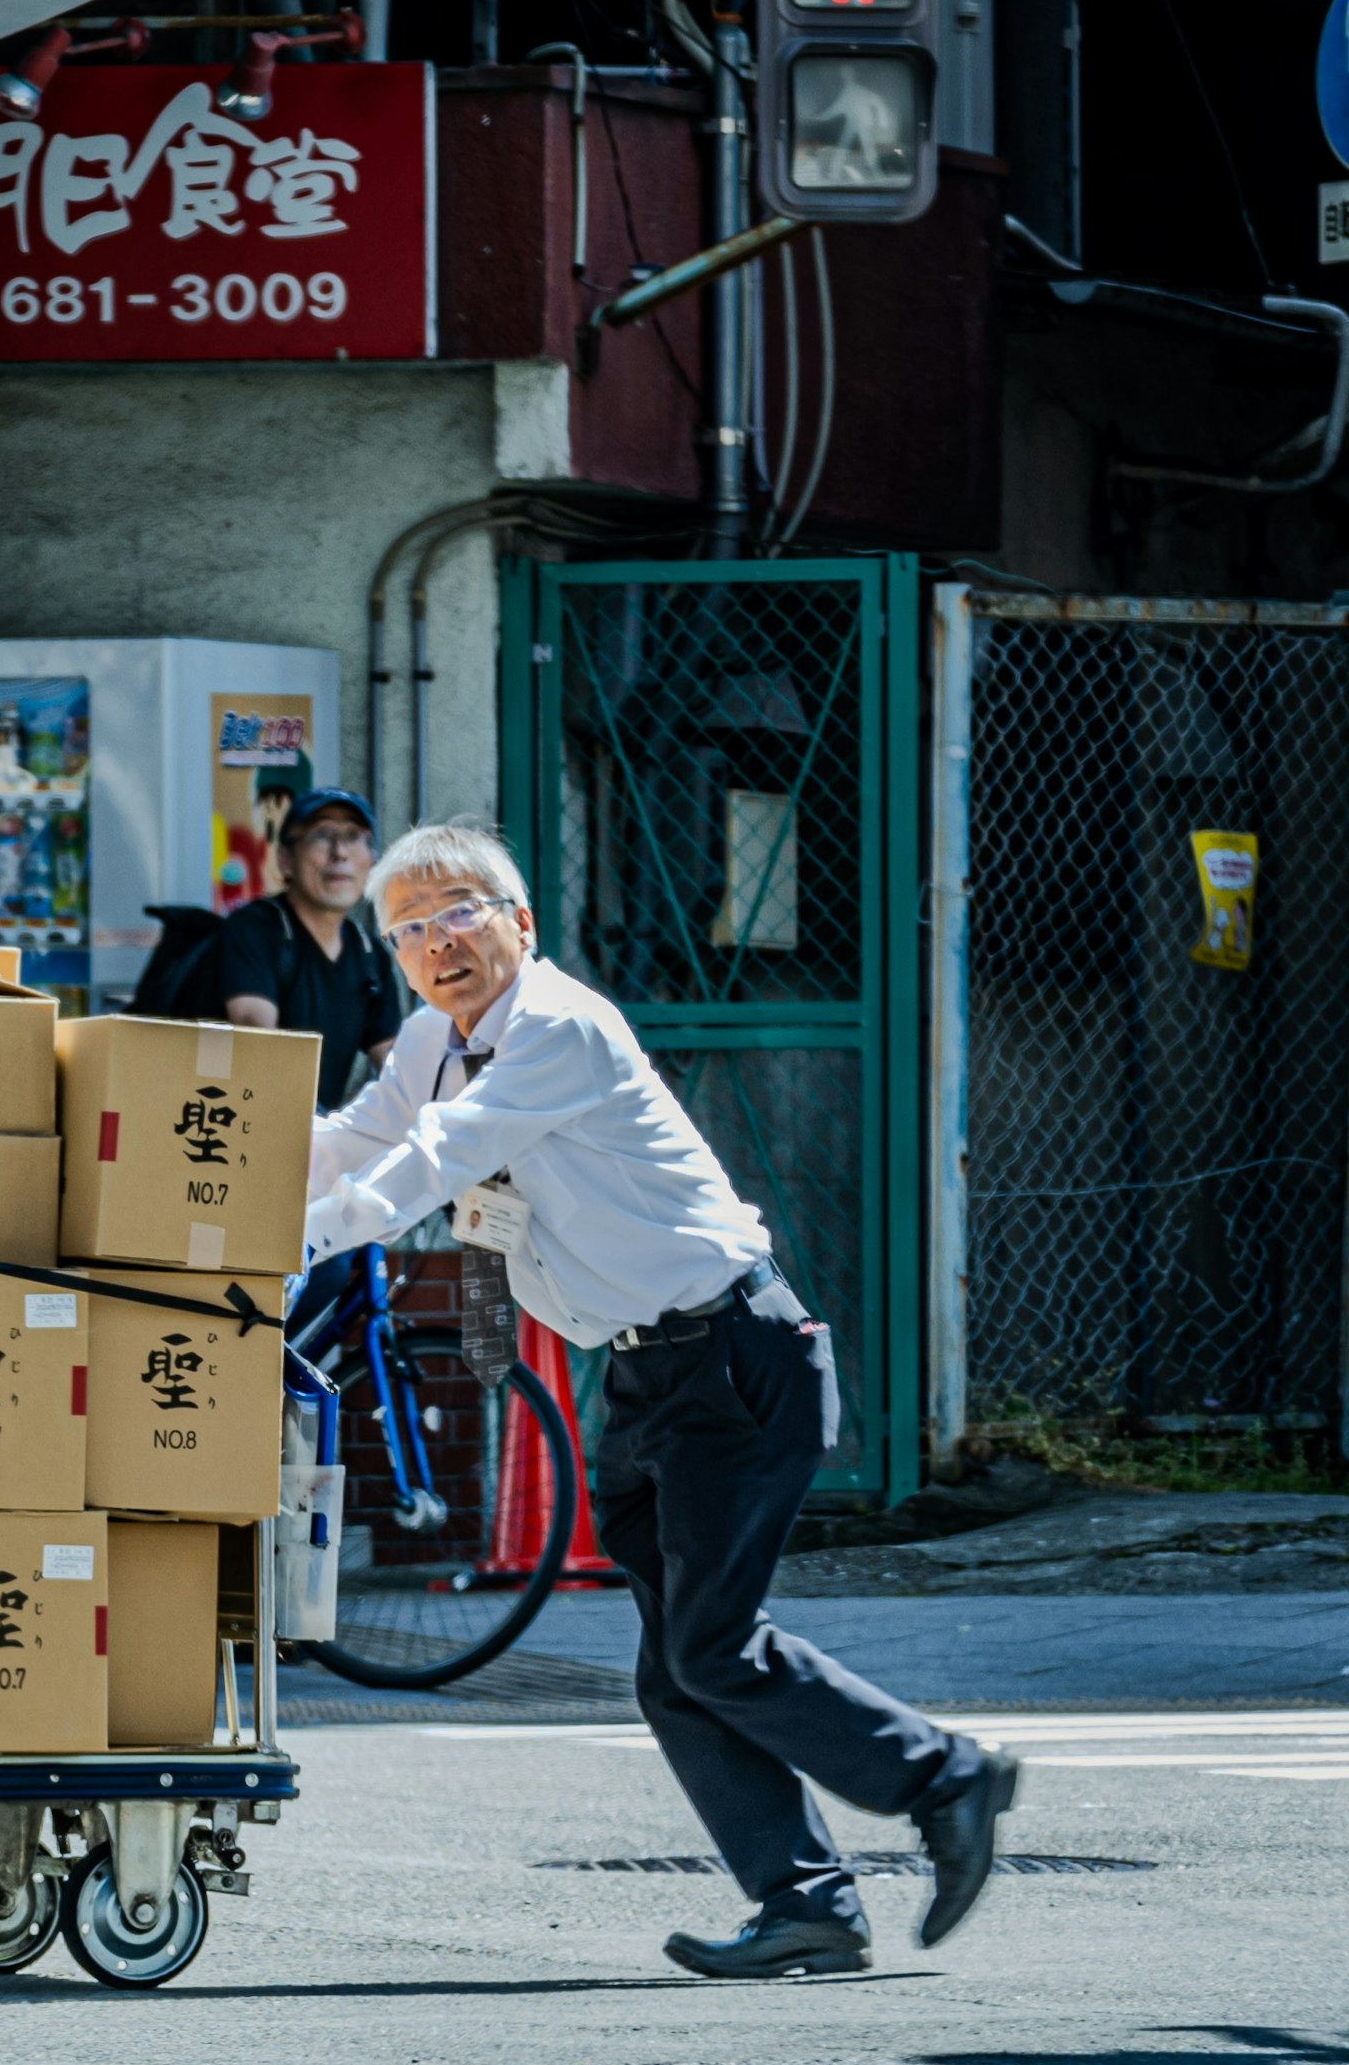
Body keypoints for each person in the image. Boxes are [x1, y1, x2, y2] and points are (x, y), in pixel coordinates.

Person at [302, 819, 1022, 1981]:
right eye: (410, 930)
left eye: (457, 915)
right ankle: (809, 1902)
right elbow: (359, 1143)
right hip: (642, 1372)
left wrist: (298, 1244)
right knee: (675, 1660)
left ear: (518, 922)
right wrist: (219, 1166)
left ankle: (944, 1778)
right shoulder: (437, 1040)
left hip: (737, 1355)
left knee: (712, 1646)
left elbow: (437, 1160)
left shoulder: (559, 1026)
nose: (437, 944)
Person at [210, 787, 401, 1110]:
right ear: (286, 860)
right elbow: (255, 1033)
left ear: (371, 861)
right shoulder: (256, 928)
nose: (339, 852)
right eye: (321, 835)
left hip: (314, 1145)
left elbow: (395, 1063)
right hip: (236, 1132)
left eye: (354, 836)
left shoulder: (370, 954)